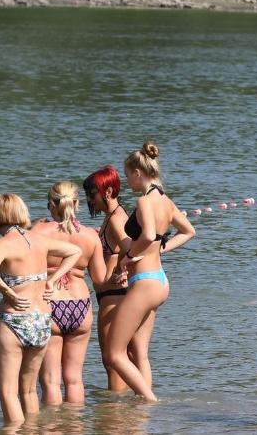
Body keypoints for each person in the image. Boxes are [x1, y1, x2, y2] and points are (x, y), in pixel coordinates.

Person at [104, 142, 195, 401]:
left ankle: (149, 401)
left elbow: (146, 235)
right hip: (159, 281)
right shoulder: (166, 201)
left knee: (114, 354)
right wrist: (160, 249)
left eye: (127, 175)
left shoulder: (144, 200)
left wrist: (128, 258)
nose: (127, 181)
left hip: (144, 282)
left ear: (137, 173)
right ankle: (143, 413)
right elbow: (188, 231)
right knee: (140, 353)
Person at [0, 193, 81, 423]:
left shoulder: (1, 244)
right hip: (42, 320)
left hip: (15, 320)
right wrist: (53, 279)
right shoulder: (38, 239)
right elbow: (74, 251)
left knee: (8, 392)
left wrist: (8, 292)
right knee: (28, 391)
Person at [30, 181, 107, 404]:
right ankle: (74, 426)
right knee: (74, 380)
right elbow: (101, 280)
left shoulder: (39, 232)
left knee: (51, 381)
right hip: (81, 306)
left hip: (50, 303)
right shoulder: (91, 236)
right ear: (77, 204)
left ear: (52, 205)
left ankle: (54, 427)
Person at [82, 166, 135, 392]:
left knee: (112, 360)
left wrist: (122, 269)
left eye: (92, 194)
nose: (89, 200)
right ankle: (128, 411)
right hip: (112, 294)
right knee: (122, 357)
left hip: (114, 295)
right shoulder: (112, 216)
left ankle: (115, 412)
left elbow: (129, 246)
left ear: (108, 191)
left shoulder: (116, 219)